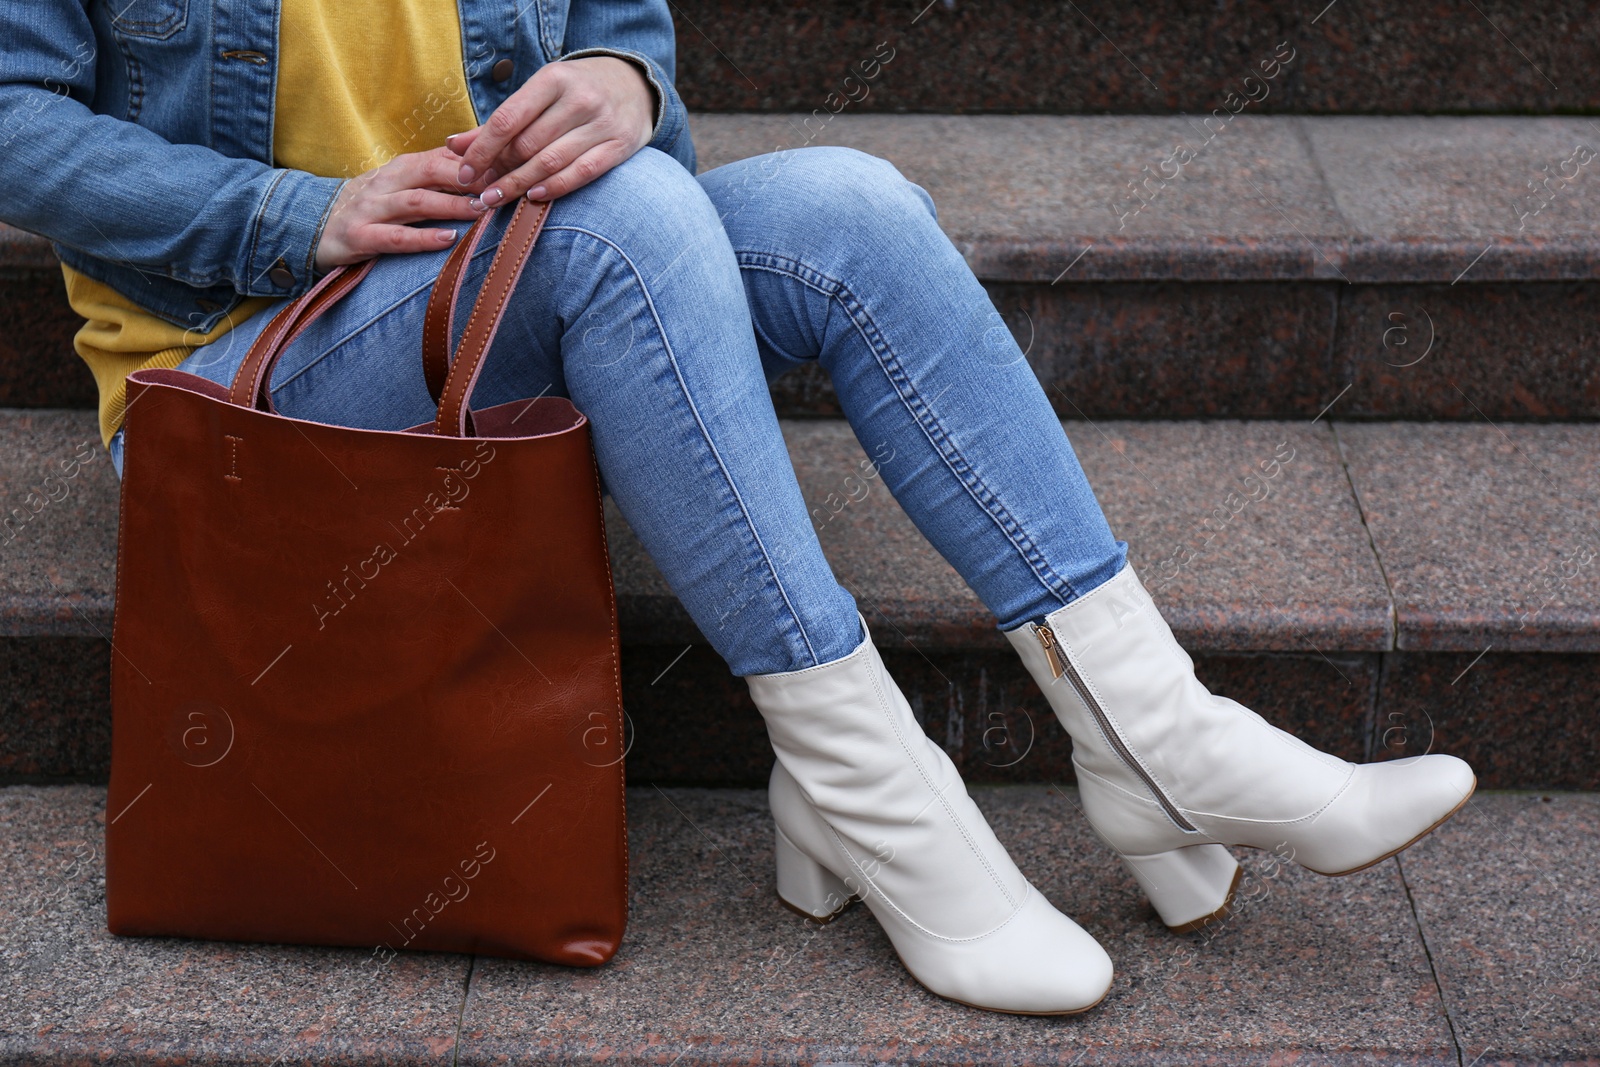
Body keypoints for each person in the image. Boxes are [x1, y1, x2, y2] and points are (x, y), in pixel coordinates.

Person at [0, 0, 1475, 1016]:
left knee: (850, 210)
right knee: (624, 219)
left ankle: (1154, 729)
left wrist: (627, 91)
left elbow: (620, 38)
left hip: (500, 284)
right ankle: (868, 793)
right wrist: (291, 214)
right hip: (243, 378)